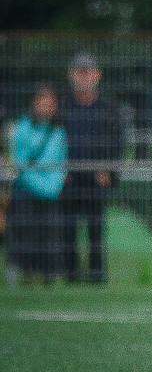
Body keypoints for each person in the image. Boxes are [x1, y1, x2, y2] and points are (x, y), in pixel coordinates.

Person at [60, 53, 122, 284]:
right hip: (69, 178)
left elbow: (118, 142)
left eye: (88, 71)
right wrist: (60, 170)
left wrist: (108, 170)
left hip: (98, 179)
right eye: (79, 71)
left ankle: (97, 276)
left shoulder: (108, 108)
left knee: (96, 229)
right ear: (72, 74)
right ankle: (70, 276)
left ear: (97, 75)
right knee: (68, 230)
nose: (84, 76)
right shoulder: (63, 106)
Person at [8, 84, 68, 283]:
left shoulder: (58, 131)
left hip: (51, 194)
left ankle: (47, 279)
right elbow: (20, 163)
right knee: (25, 238)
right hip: (26, 192)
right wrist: (42, 186)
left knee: (49, 239)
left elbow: (61, 162)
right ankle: (25, 278)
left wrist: (52, 187)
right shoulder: (22, 127)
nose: (46, 106)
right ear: (34, 103)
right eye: (42, 101)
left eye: (50, 102)